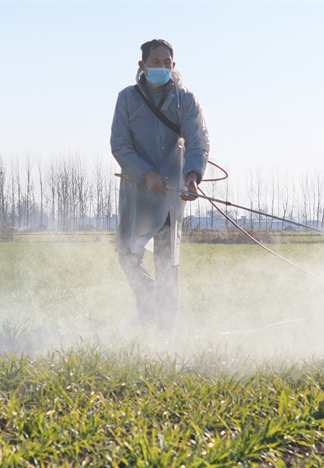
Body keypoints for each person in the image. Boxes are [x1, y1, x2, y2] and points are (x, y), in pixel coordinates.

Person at [110, 39, 210, 331]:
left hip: (170, 194)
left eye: (167, 63)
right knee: (128, 256)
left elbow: (198, 140)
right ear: (142, 66)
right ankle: (151, 303)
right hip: (137, 190)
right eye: (156, 63)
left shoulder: (185, 100)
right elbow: (120, 144)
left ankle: (167, 330)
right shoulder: (127, 99)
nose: (162, 68)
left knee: (167, 263)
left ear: (173, 66)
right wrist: (146, 173)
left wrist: (193, 175)